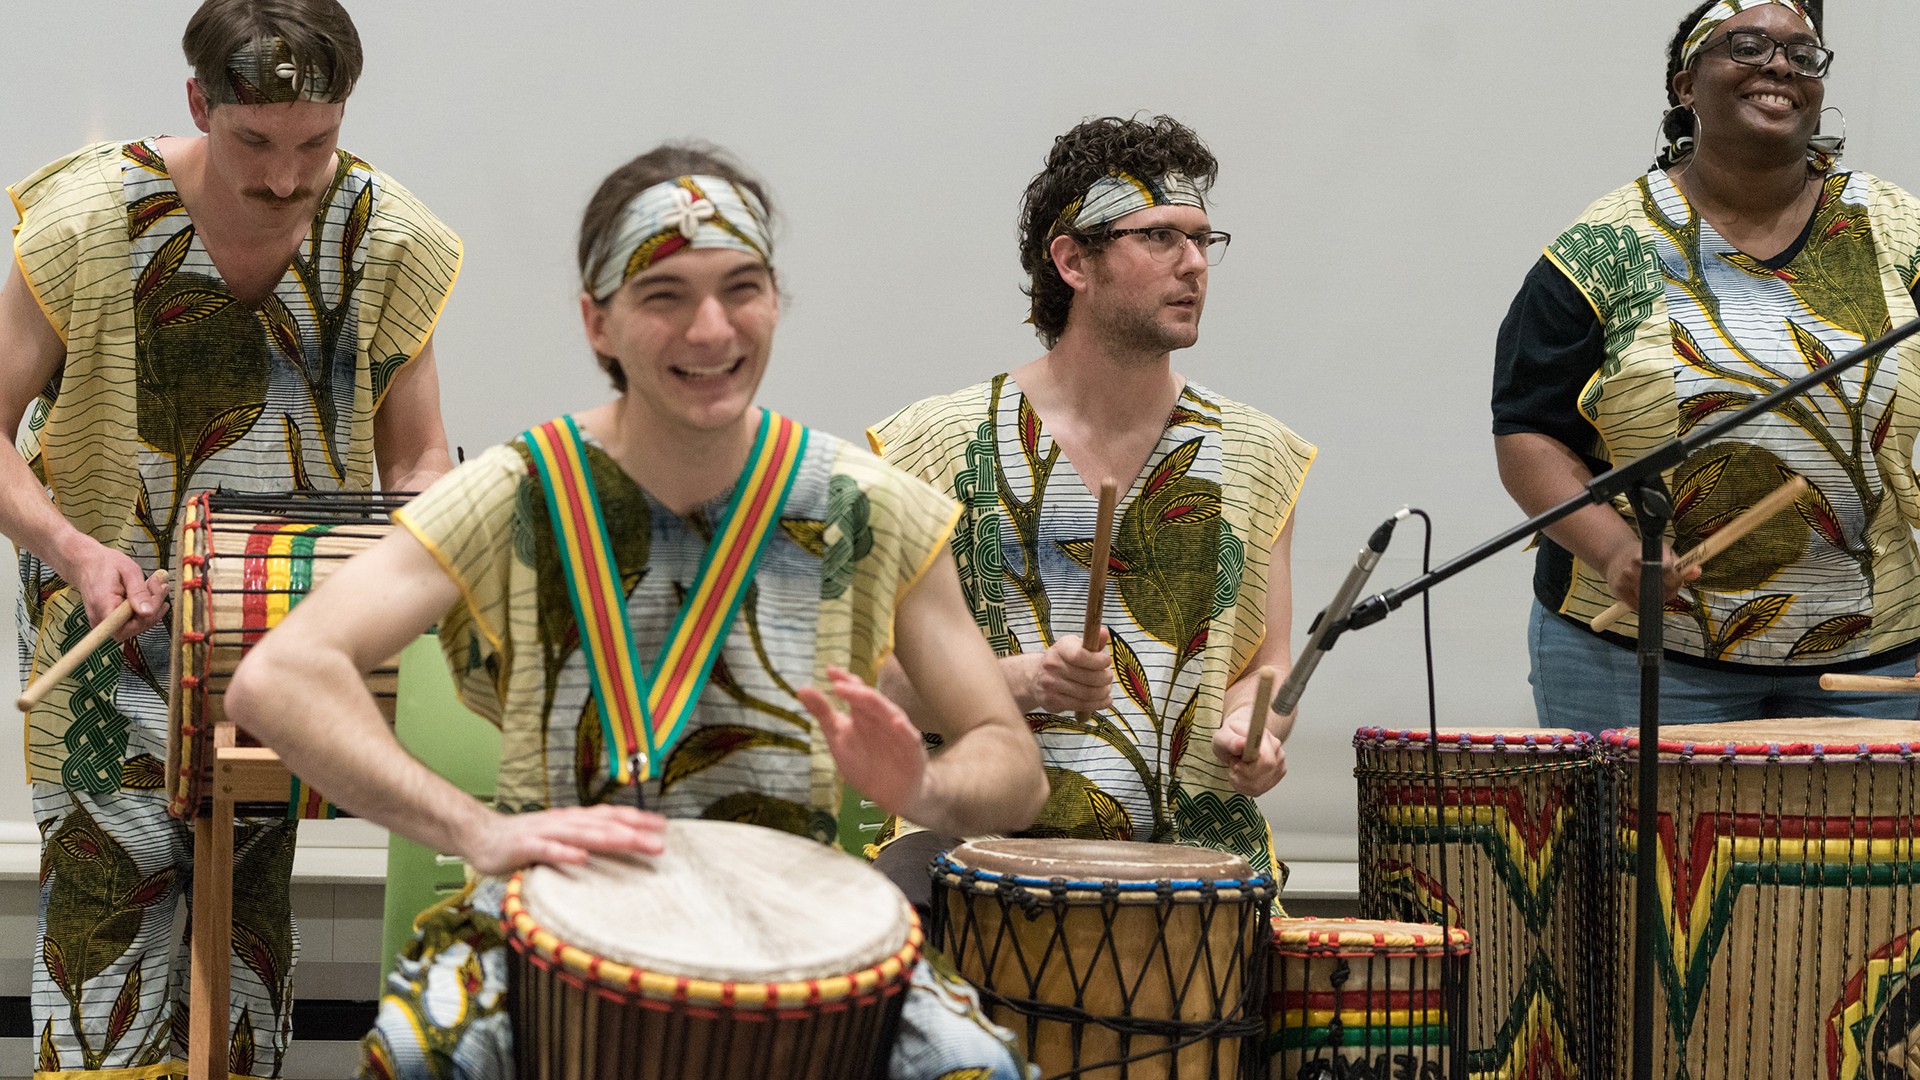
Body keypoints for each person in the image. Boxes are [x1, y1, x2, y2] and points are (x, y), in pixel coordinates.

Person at [222, 143, 1047, 1080]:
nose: (711, 328)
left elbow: (1014, 767)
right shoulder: (518, 492)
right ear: (599, 323)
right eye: (665, 296)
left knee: (976, 1064)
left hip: (802, 938)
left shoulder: (870, 506)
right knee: (416, 1057)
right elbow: (278, 678)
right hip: (540, 923)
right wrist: (479, 831)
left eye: (741, 288)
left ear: (775, 301)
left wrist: (926, 788)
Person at [0, 1, 460, 1074]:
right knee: (108, 932)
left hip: (283, 639)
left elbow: (418, 463)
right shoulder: (85, 223)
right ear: (199, 103)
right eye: (255, 141)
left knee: (248, 929)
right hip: (102, 636)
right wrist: (74, 549)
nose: (287, 179)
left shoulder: (383, 238)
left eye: (317, 143)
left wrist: (415, 555)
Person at [866, 115, 1313, 882]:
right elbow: (872, 684)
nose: (1194, 263)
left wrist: (1253, 729)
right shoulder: (931, 448)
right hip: (971, 852)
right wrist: (1020, 681)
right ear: (1073, 260)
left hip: (1193, 868)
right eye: (1160, 237)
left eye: (1203, 239)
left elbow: (1263, 668)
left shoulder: (1256, 454)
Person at [1493, 0, 1920, 733]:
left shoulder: (1894, 230)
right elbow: (1528, 432)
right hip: (1641, 653)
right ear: (1686, 85)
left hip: (1873, 652)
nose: (1779, 65)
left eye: (1802, 54)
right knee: (1634, 821)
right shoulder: (1606, 247)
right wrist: (1617, 550)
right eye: (1747, 46)